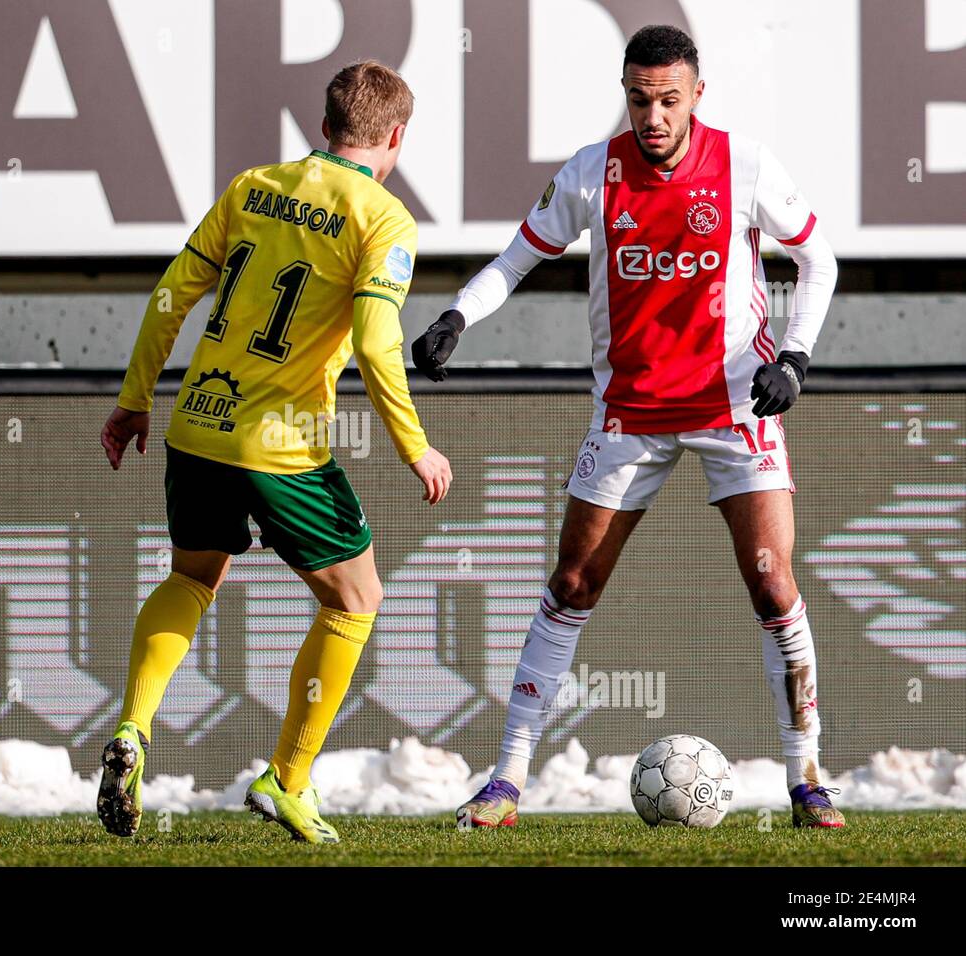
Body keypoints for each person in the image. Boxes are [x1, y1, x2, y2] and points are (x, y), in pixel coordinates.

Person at [414, 25, 843, 829]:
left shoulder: (745, 163)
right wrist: (455, 317)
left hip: (734, 406)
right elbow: (514, 260)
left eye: (668, 100)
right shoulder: (591, 172)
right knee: (572, 584)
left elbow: (818, 257)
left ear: (696, 96)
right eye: (640, 100)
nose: (652, 116)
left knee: (772, 581)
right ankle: (506, 780)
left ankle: (807, 778)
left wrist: (795, 357)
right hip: (630, 413)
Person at [100, 60, 452, 844]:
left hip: (196, 423)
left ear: (323, 127)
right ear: (396, 138)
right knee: (355, 601)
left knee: (192, 577)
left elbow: (171, 295)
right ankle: (287, 780)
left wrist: (134, 399)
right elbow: (374, 338)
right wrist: (414, 446)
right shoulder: (385, 220)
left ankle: (132, 729)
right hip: (281, 447)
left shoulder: (252, 186)